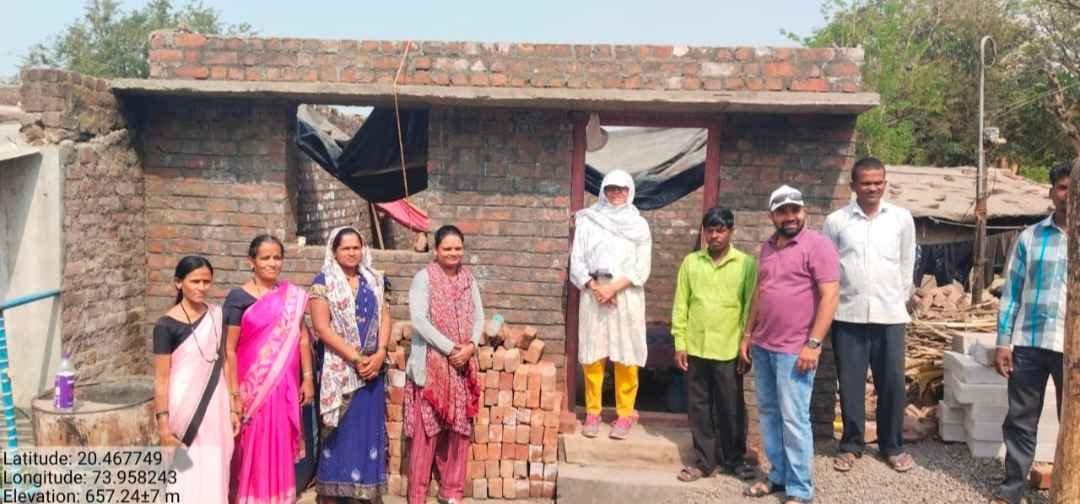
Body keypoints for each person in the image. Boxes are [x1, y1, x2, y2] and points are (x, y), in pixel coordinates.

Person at [740, 185, 839, 504]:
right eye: (782, 211)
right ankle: (779, 476)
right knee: (769, 414)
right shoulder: (767, 248)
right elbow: (760, 293)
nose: (790, 216)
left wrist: (814, 343)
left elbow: (830, 296)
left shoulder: (818, 245)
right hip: (764, 345)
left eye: (794, 209)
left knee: (794, 418)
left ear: (803, 211)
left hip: (795, 349)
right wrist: (747, 335)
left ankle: (800, 489)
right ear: (772, 216)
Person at [822, 158, 917, 473]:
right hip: (848, 316)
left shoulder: (901, 219)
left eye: (878, 182)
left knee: (891, 384)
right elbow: (829, 268)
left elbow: (906, 263)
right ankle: (851, 444)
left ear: (885, 183)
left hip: (890, 316)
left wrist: (899, 298)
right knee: (850, 385)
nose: (873, 188)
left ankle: (892, 446)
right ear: (853, 186)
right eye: (866, 183)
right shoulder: (837, 221)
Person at [990, 162, 1071, 504]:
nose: (1069, 194)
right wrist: (1003, 342)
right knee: (1021, 420)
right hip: (1030, 342)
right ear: (1052, 192)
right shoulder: (1031, 237)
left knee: (1075, 422)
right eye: (1063, 187)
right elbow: (1011, 294)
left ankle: (1070, 489)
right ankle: (1011, 491)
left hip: (1074, 349)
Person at [226, 234, 315, 504]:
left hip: (284, 386)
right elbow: (229, 349)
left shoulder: (291, 297)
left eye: (277, 257)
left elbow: (302, 338)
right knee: (250, 443)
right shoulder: (238, 298)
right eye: (265, 258)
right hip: (250, 388)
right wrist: (234, 394)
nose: (272, 263)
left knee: (278, 440)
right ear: (251, 262)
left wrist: (307, 378)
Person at [672, 208, 757, 482]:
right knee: (699, 407)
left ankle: (734, 460)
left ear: (731, 232)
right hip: (696, 346)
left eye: (720, 230)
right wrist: (680, 342)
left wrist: (745, 343)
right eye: (710, 230)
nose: (715, 236)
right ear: (704, 233)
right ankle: (705, 462)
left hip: (728, 348)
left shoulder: (745, 264)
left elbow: (750, 307)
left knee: (730, 407)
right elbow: (681, 303)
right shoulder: (691, 262)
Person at [309, 227, 390, 503]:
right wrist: (356, 358)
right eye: (346, 248)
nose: (352, 253)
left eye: (356, 247)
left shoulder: (375, 280)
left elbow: (385, 316)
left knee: (367, 431)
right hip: (341, 367)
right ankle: (334, 493)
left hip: (372, 370)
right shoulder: (323, 282)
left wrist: (380, 353)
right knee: (341, 432)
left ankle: (364, 493)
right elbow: (322, 328)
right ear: (334, 251)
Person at [569, 169, 652, 440]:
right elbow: (577, 260)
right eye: (611, 188)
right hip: (594, 293)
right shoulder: (589, 220)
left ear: (630, 192)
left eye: (621, 189)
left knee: (626, 355)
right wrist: (595, 287)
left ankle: (624, 414)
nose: (616, 193)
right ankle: (593, 413)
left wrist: (614, 288)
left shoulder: (639, 225)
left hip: (625, 296)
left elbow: (642, 266)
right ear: (603, 191)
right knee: (593, 355)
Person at [405, 225, 484, 504]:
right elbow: (419, 320)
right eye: (447, 248)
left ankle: (452, 492)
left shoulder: (468, 279)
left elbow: (479, 316)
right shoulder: (424, 278)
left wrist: (471, 345)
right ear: (436, 250)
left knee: (459, 432)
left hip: (462, 367)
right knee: (426, 434)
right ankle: (417, 495)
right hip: (432, 367)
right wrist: (451, 348)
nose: (453, 253)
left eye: (458, 248)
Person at [152, 256, 237, 502]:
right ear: (179, 283)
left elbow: (226, 361)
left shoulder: (217, 316)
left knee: (215, 466)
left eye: (206, 282)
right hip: (182, 410)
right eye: (195, 281)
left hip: (216, 406)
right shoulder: (165, 326)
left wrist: (233, 405)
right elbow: (161, 379)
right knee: (185, 472)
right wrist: (163, 428)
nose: (201, 287)